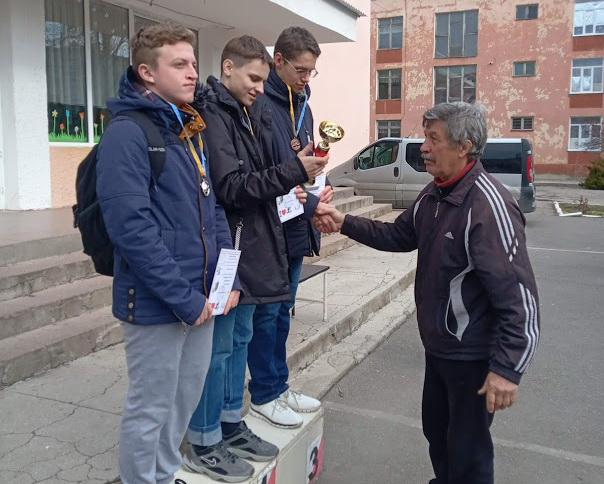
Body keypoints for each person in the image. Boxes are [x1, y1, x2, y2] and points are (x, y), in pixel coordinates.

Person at [314, 102, 540, 484]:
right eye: (425, 137)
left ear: (464, 146)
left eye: (433, 139)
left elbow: (519, 300)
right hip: (439, 348)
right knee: (438, 434)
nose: (423, 147)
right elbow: (399, 235)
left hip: (472, 356)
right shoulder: (435, 193)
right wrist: (344, 221)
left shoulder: (488, 206)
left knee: (467, 454)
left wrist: (507, 368)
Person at [96, 24, 240, 484]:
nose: (193, 73)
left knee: (184, 398)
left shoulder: (186, 129)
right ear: (147, 72)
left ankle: (163, 473)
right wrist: (184, 299)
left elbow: (213, 211)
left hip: (201, 298)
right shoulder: (127, 133)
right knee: (151, 405)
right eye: (179, 64)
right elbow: (131, 230)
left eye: (193, 63)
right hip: (157, 302)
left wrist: (227, 281)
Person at [184, 36, 328, 482]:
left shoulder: (250, 110)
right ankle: (204, 439)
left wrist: (301, 181)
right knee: (218, 348)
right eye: (253, 78)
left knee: (240, 338)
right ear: (227, 67)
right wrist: (292, 171)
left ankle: (230, 424)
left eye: (263, 81)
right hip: (228, 247)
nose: (259, 88)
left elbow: (269, 173)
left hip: (256, 241)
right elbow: (231, 187)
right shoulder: (213, 114)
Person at [247, 26, 334, 429]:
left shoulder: (303, 105)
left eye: (311, 71)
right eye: (300, 70)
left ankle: (279, 387)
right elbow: (260, 171)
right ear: (277, 60)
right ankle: (264, 394)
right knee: (267, 316)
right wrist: (294, 181)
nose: (306, 78)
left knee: (284, 312)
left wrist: (320, 186)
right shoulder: (258, 104)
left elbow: (303, 162)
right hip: (268, 226)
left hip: (296, 222)